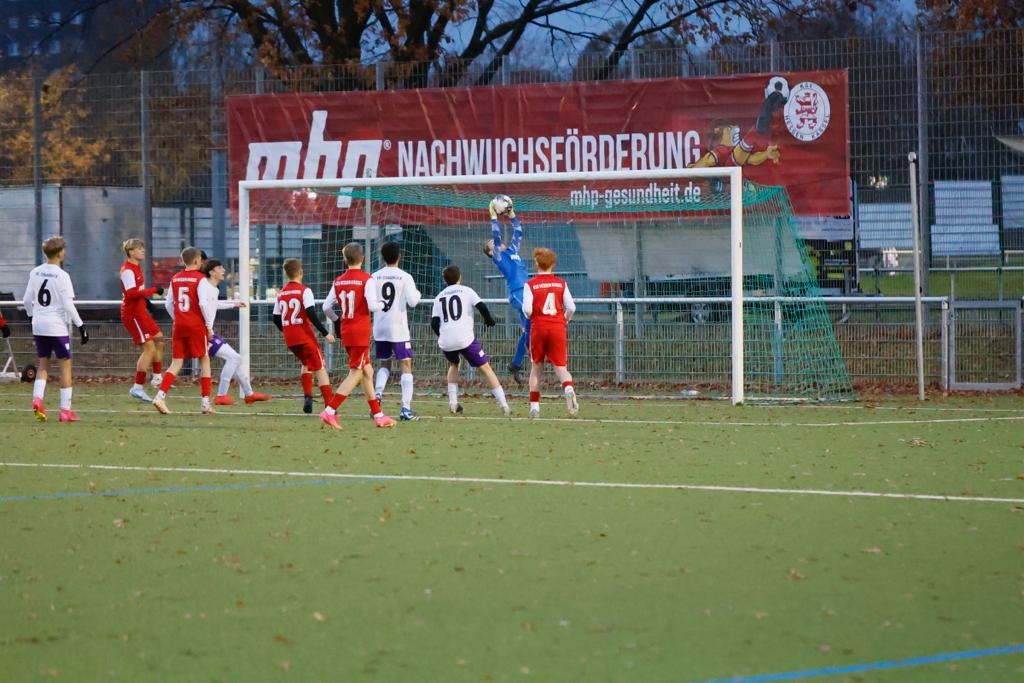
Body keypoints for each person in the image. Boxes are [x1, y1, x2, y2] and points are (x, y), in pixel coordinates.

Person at [320, 242, 396, 430]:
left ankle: (378, 415)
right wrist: (384, 304)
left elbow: (326, 307)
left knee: (367, 371)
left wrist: (337, 320)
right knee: (356, 373)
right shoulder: (366, 279)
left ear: (345, 260)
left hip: (347, 331)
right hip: (360, 332)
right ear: (362, 258)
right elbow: (372, 306)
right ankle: (329, 411)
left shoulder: (338, 281)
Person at [22, 236, 88, 422]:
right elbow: (68, 305)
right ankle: (65, 411)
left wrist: (31, 316)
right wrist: (81, 326)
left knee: (43, 364)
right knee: (65, 366)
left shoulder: (35, 272)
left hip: (39, 324)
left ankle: (37, 399)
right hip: (56, 326)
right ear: (59, 253)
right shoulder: (62, 276)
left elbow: (27, 300)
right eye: (63, 250)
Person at [431, 264, 511, 416]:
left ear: (444, 280)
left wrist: (442, 336)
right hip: (465, 338)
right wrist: (489, 320)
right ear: (460, 277)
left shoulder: (439, 297)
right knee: (485, 368)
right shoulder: (467, 291)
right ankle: (504, 405)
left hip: (446, 340)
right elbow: (481, 306)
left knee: (453, 364)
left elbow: (434, 323)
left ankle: (453, 403)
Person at [151, 246, 216, 415]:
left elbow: (168, 304)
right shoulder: (201, 279)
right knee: (204, 360)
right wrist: (209, 327)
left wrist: (179, 317)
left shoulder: (175, 278)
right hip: (196, 325)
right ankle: (205, 403)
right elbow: (203, 304)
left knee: (176, 362)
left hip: (179, 325)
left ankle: (160, 397)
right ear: (196, 260)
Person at [199, 258, 272, 406]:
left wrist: (233, 304)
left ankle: (249, 394)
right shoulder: (204, 284)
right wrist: (208, 328)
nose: (223, 271)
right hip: (201, 332)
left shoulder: (213, 289)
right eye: (220, 268)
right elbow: (203, 305)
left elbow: (213, 304)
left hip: (206, 330)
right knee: (234, 358)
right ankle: (221, 395)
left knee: (235, 359)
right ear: (211, 272)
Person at [272, 257, 336, 414]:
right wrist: (325, 332)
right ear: (301, 272)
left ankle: (308, 397)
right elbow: (310, 313)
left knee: (306, 363)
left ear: (286, 274)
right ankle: (330, 407)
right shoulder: (305, 291)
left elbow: (275, 318)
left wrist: (287, 330)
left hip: (290, 339)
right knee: (320, 367)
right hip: (305, 337)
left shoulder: (281, 293)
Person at [521, 247, 579, 418]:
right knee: (561, 367)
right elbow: (571, 307)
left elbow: (527, 309)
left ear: (536, 264)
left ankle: (534, 407)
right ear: (553, 264)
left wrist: (532, 316)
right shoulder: (561, 283)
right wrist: (565, 319)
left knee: (536, 367)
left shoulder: (530, 284)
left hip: (538, 327)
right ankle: (568, 388)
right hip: (557, 327)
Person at [371, 241, 422, 421]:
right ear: (399, 256)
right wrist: (418, 293)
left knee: (384, 364)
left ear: (382, 257)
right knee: (406, 365)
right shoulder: (405, 276)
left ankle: (377, 397)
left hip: (380, 327)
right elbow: (413, 302)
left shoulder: (374, 277)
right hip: (398, 327)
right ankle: (406, 408)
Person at [483, 195, 529, 386]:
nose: (494, 243)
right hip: (517, 293)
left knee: (528, 330)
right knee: (535, 319)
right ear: (491, 252)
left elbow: (518, 231)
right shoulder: (499, 256)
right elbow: (496, 236)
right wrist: (493, 216)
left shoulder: (513, 251)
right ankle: (536, 353)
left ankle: (515, 365)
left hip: (527, 291)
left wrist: (511, 214)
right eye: (491, 245)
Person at [119, 238, 166, 402]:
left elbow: (137, 292)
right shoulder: (127, 270)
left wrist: (148, 304)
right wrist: (153, 290)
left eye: (143, 248)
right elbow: (131, 294)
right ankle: (137, 388)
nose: (143, 250)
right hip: (133, 315)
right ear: (131, 252)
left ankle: (157, 378)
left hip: (141, 313)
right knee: (149, 349)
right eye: (139, 248)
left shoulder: (136, 268)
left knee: (159, 339)